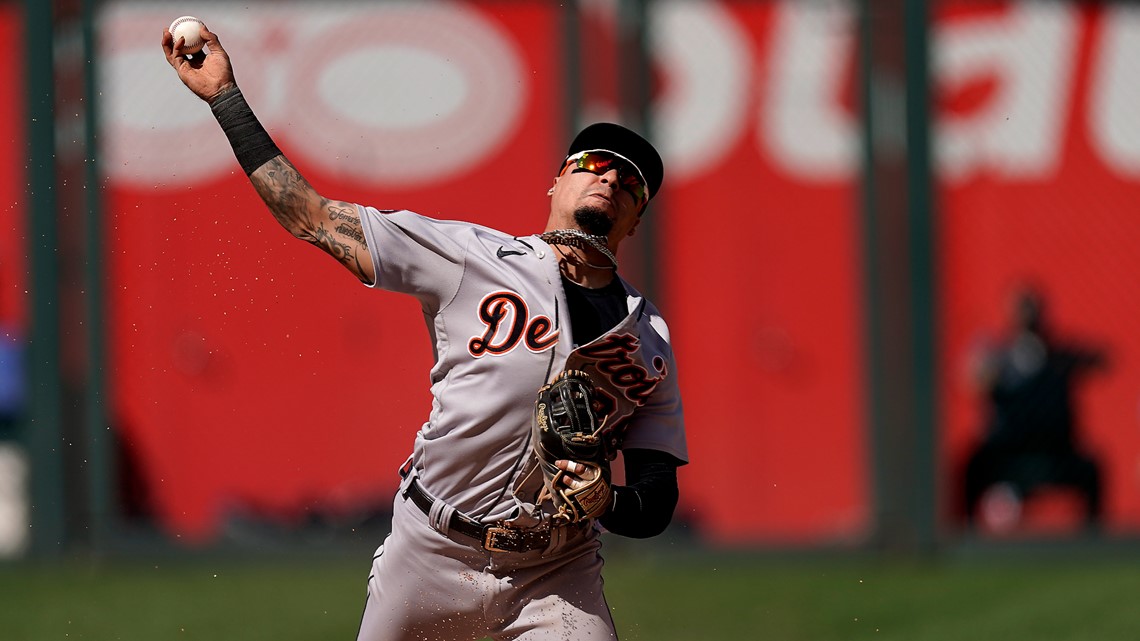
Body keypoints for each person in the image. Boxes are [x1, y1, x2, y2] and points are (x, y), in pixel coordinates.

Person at [162, 22, 687, 641]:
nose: (610, 180)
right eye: (596, 164)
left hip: (556, 573)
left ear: (636, 218)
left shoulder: (646, 335)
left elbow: (656, 497)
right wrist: (226, 98)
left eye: (631, 183)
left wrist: (609, 501)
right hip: (432, 552)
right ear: (557, 181)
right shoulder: (472, 257)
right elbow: (310, 217)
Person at [962, 285, 1105, 531]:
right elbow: (973, 378)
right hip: (1005, 451)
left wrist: (1057, 359)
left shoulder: (1056, 355)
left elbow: (1100, 360)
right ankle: (967, 536)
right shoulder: (1000, 355)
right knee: (970, 466)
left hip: (1056, 453)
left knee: (1092, 468)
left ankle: (1091, 540)